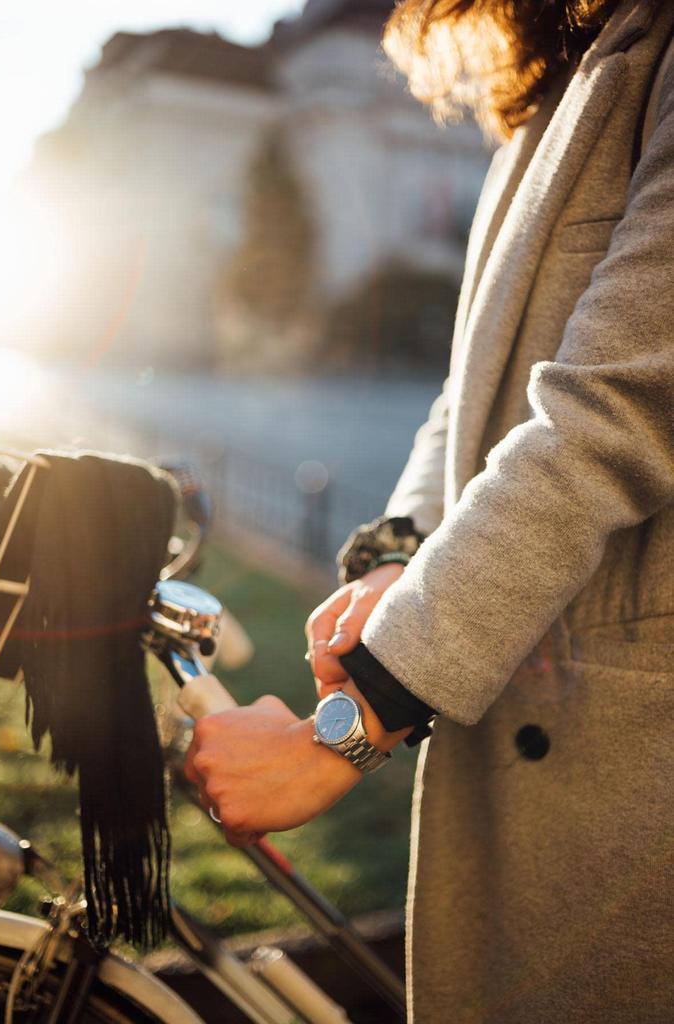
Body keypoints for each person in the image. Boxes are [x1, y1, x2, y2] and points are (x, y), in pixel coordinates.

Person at [185, 0, 674, 1019]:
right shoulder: (560, 81)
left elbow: (616, 404)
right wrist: (397, 550)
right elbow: (472, 384)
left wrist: (351, 721)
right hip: (531, 721)